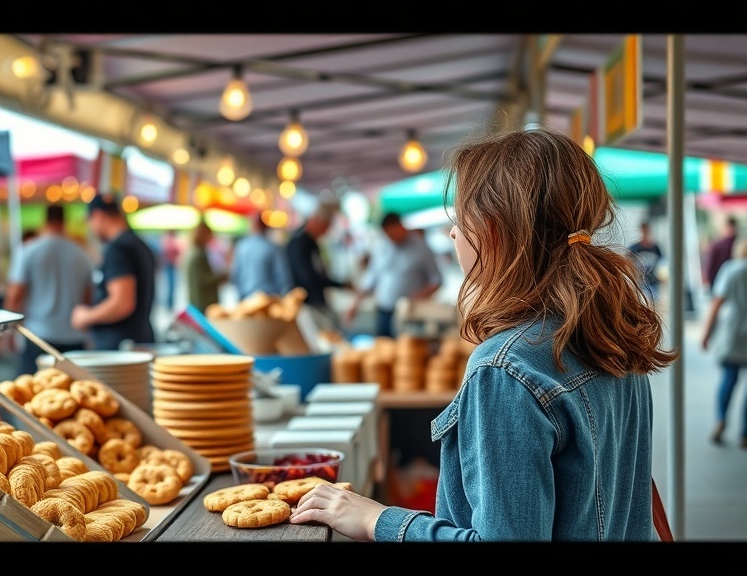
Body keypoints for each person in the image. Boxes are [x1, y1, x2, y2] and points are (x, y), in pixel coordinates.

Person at [289, 127, 678, 541]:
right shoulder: (611, 334)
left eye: (458, 219)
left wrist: (375, 520)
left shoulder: (505, 369)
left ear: (492, 230)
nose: (452, 233)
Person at [5, 203, 94, 374]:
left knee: (33, 394)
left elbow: (15, 295)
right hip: (74, 338)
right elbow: (88, 297)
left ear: (44, 221)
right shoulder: (82, 254)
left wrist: (8, 333)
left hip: (38, 336)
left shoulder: (28, 251)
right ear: (64, 222)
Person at [71, 194, 157, 351]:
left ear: (98, 216)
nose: (91, 227)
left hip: (119, 348)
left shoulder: (118, 248)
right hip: (138, 339)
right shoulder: (140, 245)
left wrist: (86, 316)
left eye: (90, 221)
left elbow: (122, 303)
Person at [344, 213, 443, 338]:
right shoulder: (381, 246)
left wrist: (415, 298)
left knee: (408, 352)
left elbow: (436, 280)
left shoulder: (421, 247)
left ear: (400, 226)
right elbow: (370, 278)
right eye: (387, 235)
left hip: (409, 314)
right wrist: (355, 304)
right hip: (383, 312)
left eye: (391, 233)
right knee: (383, 349)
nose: (390, 238)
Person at [700, 236, 747, 447]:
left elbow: (716, 304)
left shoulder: (731, 269)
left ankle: (720, 420)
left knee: (729, 379)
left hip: (733, 333)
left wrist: (706, 334)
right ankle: (745, 433)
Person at [285, 204, 350, 331]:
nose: (326, 231)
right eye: (325, 227)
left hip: (314, 301)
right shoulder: (300, 243)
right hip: (306, 304)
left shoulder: (311, 242)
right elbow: (308, 277)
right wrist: (339, 285)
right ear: (316, 222)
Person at [229, 211, 293, 301]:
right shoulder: (272, 248)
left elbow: (235, 275)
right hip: (269, 300)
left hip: (247, 298)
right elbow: (283, 277)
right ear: (265, 227)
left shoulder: (241, 247)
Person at [183, 219, 228, 312]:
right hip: (203, 303)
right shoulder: (198, 254)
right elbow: (204, 280)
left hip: (199, 302)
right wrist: (223, 275)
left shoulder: (194, 251)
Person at [626, 220, 664, 305]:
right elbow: (627, 262)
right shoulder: (635, 248)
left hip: (653, 281)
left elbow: (662, 263)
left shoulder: (655, 247)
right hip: (640, 282)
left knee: (653, 304)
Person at [703, 215, 739, 294]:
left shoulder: (716, 244)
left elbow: (709, 265)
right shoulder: (739, 243)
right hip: (736, 285)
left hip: (717, 282)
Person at [160, 229, 181, 311]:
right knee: (170, 285)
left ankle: (169, 303)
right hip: (169, 265)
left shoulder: (166, 241)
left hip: (169, 265)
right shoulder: (169, 242)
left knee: (170, 285)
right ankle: (169, 304)